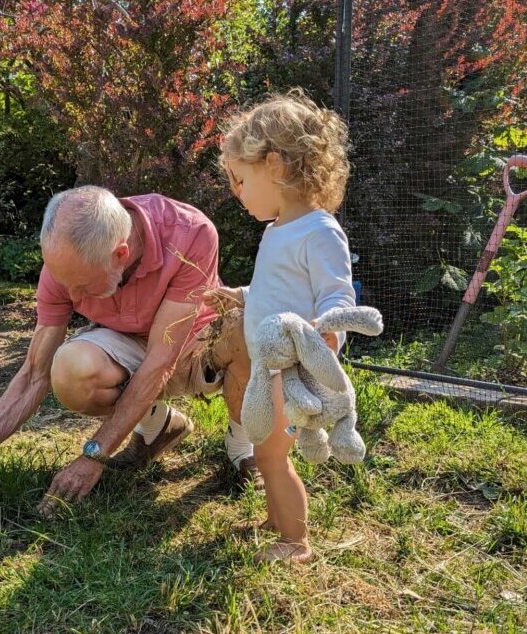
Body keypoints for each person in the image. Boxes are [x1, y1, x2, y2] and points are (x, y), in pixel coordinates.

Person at [0, 186, 262, 516]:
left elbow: (161, 360)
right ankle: (157, 427)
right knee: (70, 369)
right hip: (127, 343)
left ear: (120, 254)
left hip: (192, 342)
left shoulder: (190, 233)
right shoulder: (64, 268)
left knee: (247, 328)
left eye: (82, 286)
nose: (72, 294)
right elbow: (36, 372)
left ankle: (242, 443)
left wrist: (94, 454)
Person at [204, 89, 355, 563]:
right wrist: (243, 296)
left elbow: (338, 295)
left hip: (294, 372)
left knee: (271, 455)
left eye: (240, 179)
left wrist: (329, 331)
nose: (236, 192)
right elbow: (277, 291)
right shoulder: (276, 230)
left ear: (275, 166)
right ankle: (278, 518)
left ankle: (296, 542)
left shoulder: (319, 230)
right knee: (267, 451)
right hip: (270, 366)